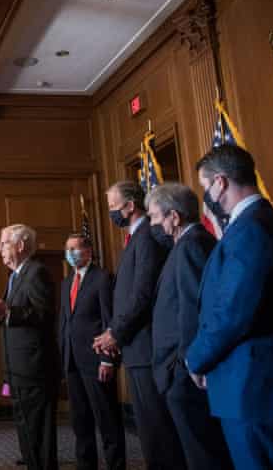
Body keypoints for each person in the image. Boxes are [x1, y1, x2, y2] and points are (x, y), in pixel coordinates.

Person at [186, 145, 273, 469]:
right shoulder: (258, 223)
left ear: (220, 182)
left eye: (206, 187)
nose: (207, 195)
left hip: (256, 388)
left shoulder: (252, 229)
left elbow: (233, 312)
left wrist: (196, 358)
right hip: (252, 386)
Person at [94, 181, 184, 469]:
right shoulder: (136, 238)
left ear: (130, 206)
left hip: (145, 348)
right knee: (148, 431)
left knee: (157, 430)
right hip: (135, 349)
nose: (111, 213)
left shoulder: (146, 237)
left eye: (112, 207)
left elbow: (142, 294)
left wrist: (115, 332)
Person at [145, 183, 231, 470]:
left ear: (174, 217)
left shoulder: (191, 246)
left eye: (155, 217)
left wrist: (186, 362)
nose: (153, 225)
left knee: (203, 455)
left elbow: (195, 309)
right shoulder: (185, 245)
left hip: (184, 373)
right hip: (180, 370)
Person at [0, 224, 58, 470]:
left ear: (20, 246)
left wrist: (7, 310)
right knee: (27, 433)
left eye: (3, 243)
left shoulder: (36, 272)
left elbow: (44, 314)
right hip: (18, 368)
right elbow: (11, 317)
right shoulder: (15, 276)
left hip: (34, 368)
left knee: (39, 433)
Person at [59, 233, 126, 470]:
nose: (70, 253)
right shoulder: (67, 282)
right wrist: (63, 359)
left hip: (96, 361)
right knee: (80, 423)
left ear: (88, 251)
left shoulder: (103, 278)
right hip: (73, 363)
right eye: (67, 249)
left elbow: (110, 320)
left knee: (107, 421)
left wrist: (107, 360)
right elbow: (64, 323)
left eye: (74, 248)